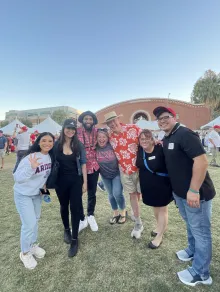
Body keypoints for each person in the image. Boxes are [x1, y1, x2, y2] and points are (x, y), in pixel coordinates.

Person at [153, 106, 216, 286]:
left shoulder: (185, 134)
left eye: (166, 117)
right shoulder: (168, 137)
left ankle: (201, 273)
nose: (162, 120)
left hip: (197, 194)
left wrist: (194, 190)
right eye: (159, 119)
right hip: (181, 194)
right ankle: (193, 250)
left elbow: (202, 161)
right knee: (191, 224)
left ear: (175, 117)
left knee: (201, 231)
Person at [13, 132, 54, 270]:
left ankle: (32, 246)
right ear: (38, 141)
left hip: (36, 195)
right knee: (29, 224)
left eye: (50, 141)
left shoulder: (49, 157)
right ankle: (24, 253)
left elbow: (44, 180)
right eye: (44, 140)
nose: (47, 143)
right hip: (23, 194)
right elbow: (17, 178)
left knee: (35, 220)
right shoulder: (30, 157)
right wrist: (32, 168)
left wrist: (45, 194)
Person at [103, 111, 143, 239]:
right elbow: (100, 141)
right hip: (125, 171)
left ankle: (135, 212)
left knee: (138, 195)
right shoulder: (109, 136)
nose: (112, 124)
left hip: (140, 169)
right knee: (132, 195)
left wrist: (157, 142)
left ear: (118, 120)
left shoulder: (133, 128)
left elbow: (147, 139)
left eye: (113, 121)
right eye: (109, 123)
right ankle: (138, 223)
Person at [54, 119, 87, 257]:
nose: (70, 131)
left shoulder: (78, 145)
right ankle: (66, 229)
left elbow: (83, 164)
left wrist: (85, 182)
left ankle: (74, 239)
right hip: (60, 182)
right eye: (68, 128)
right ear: (63, 129)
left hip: (75, 181)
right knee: (63, 206)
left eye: (73, 129)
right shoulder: (56, 145)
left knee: (75, 208)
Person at [136, 130, 173, 249]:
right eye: (142, 139)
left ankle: (160, 236)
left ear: (152, 139)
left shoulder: (160, 148)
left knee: (162, 209)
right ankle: (159, 227)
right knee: (155, 207)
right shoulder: (140, 150)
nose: (144, 141)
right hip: (148, 186)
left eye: (147, 138)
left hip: (162, 185)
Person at [96, 128, 126, 224]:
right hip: (104, 176)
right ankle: (115, 213)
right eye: (99, 137)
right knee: (111, 195)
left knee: (117, 193)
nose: (101, 139)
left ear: (107, 138)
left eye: (103, 137)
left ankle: (123, 211)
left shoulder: (112, 146)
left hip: (116, 174)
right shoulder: (95, 148)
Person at [77, 111, 99, 232]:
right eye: (86, 119)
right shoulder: (76, 131)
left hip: (94, 166)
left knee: (92, 193)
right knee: (78, 194)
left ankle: (91, 215)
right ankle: (81, 218)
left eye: (90, 119)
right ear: (82, 120)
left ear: (93, 121)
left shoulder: (98, 132)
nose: (88, 121)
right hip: (79, 168)